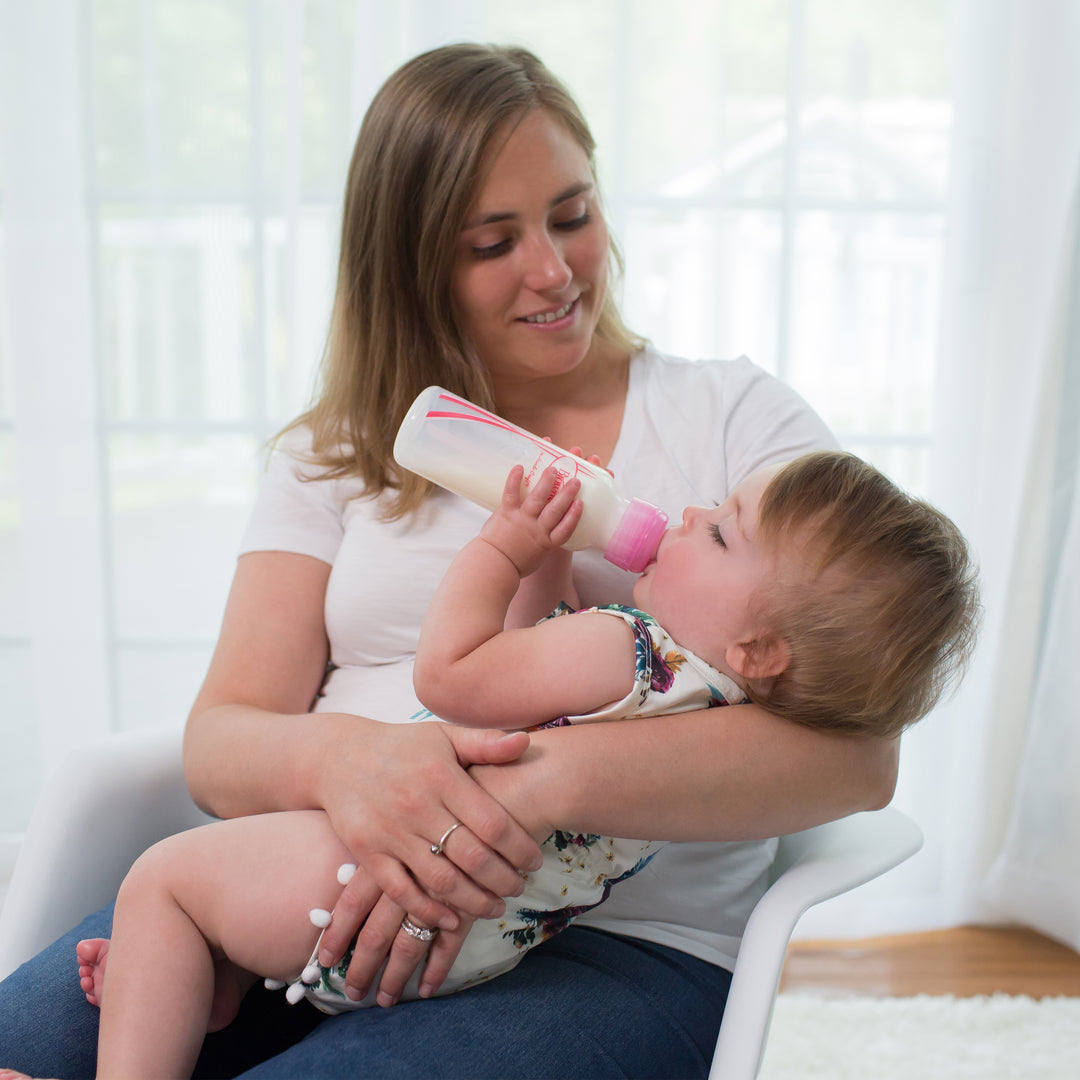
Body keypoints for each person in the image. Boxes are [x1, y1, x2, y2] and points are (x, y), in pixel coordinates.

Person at [0, 43, 912, 1079]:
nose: (554, 270)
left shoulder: (734, 425)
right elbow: (222, 738)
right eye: (493, 242)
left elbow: (859, 756)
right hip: (313, 881)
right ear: (412, 260)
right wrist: (355, 767)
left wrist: (522, 796)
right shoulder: (334, 450)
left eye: (573, 215)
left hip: (611, 949)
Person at [66, 448, 978, 1078]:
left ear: (762, 648)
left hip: (364, 879)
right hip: (481, 946)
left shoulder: (624, 649)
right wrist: (551, 571)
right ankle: (217, 982)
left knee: (165, 886)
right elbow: (528, 665)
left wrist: (503, 546)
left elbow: (456, 675)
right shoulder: (705, 711)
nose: (694, 512)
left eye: (722, 534)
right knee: (217, 908)